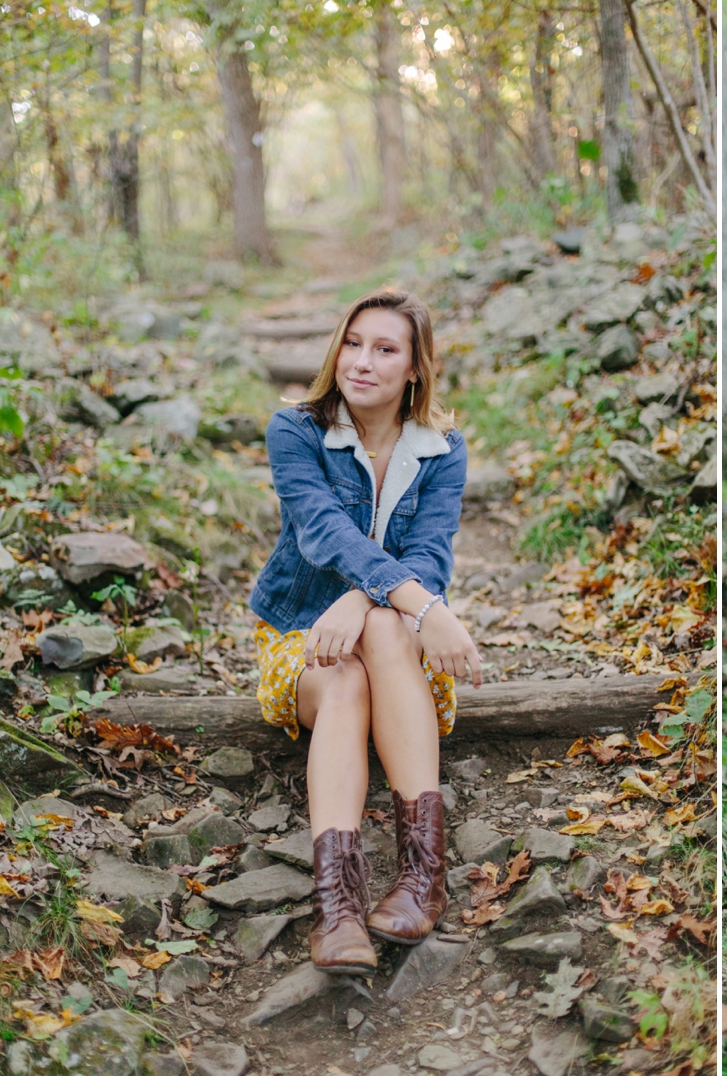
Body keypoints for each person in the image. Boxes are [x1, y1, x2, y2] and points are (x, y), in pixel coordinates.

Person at [249, 289, 484, 975]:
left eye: (385, 349)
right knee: (350, 676)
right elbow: (321, 529)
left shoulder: (442, 449)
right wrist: (424, 607)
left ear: (415, 368)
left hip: (396, 647)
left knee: (383, 627)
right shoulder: (294, 430)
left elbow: (432, 550)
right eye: (353, 343)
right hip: (304, 636)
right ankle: (338, 906)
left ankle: (422, 878)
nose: (362, 361)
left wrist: (372, 600)